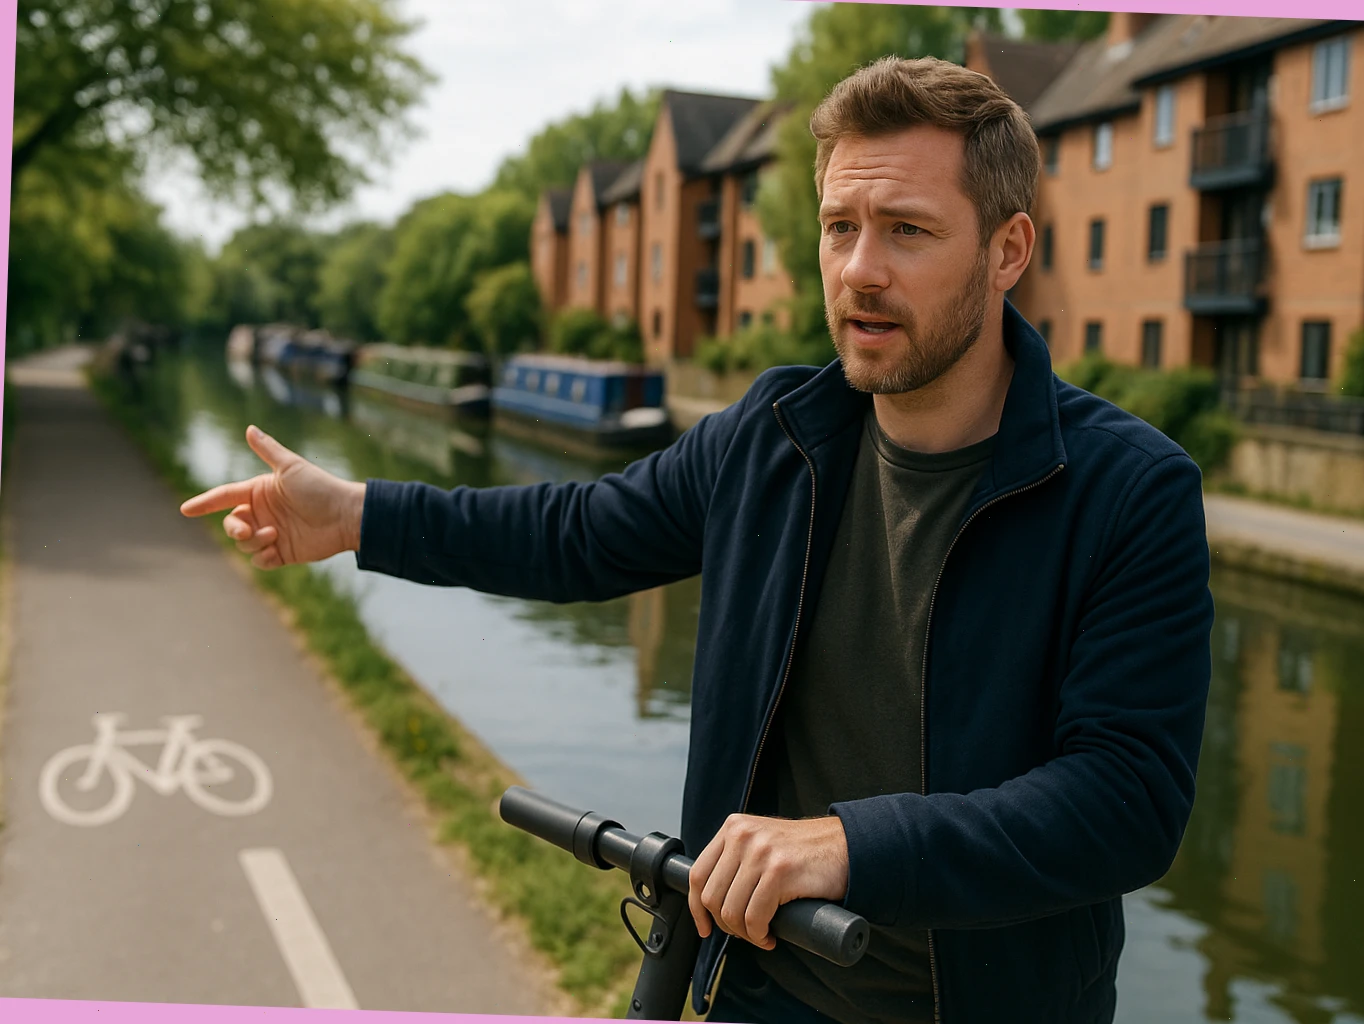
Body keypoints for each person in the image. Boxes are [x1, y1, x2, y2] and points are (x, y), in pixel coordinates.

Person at [181, 56, 1213, 1024]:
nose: (859, 270)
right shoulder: (773, 440)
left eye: (907, 230)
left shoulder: (1130, 491)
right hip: (762, 991)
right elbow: (577, 534)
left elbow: (1127, 800)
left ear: (1008, 252)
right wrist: (356, 516)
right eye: (839, 226)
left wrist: (851, 845)